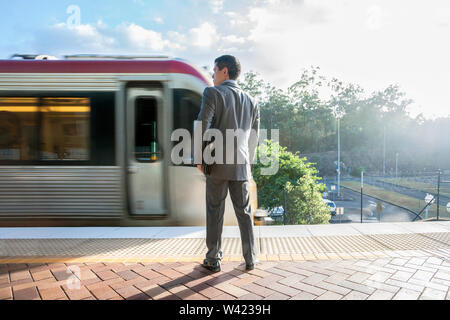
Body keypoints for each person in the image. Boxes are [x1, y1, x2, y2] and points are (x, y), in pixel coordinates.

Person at [196, 55, 260, 272]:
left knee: (215, 211)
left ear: (224, 71)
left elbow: (202, 125)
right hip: (241, 166)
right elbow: (253, 138)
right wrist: (247, 165)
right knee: (244, 212)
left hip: (217, 164)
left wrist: (199, 158)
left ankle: (213, 259)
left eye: (214, 70)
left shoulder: (212, 93)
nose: (212, 75)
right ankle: (250, 258)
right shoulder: (252, 100)